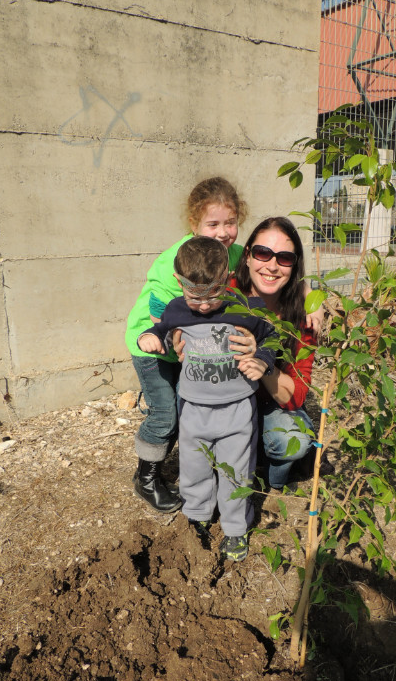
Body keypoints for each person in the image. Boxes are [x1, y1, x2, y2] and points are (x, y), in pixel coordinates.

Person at [137, 236, 275, 561]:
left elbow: (273, 336)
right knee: (194, 466)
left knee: (235, 473)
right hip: (194, 410)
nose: (202, 304)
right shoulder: (176, 310)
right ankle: (198, 516)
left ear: (227, 277)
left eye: (212, 294)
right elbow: (162, 331)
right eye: (193, 295)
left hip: (236, 410)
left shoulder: (245, 308)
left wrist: (263, 358)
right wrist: (151, 337)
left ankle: (236, 529)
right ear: (178, 282)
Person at [124, 177, 248, 513]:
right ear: (194, 224)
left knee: (185, 409)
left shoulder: (235, 254)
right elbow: (161, 315)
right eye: (213, 224)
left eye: (231, 222)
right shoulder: (172, 262)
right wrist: (178, 344)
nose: (223, 232)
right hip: (152, 342)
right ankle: (146, 478)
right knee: (166, 413)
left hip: (192, 342)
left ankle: (206, 469)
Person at [232, 216, 334, 490]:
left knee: (293, 441)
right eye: (263, 253)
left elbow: (297, 395)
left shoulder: (304, 319)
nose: (272, 265)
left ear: (295, 265)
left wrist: (264, 364)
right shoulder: (227, 293)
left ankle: (275, 483)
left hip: (270, 404)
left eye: (285, 258)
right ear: (247, 257)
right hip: (228, 401)